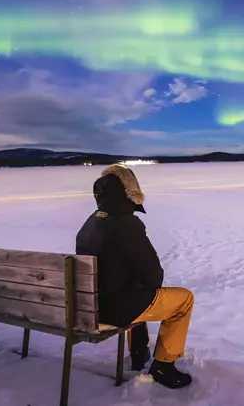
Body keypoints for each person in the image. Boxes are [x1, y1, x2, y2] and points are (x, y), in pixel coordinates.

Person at [75, 163, 194, 389]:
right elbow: (153, 275)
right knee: (183, 299)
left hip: (90, 304)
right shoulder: (126, 223)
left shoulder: (90, 222)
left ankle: (139, 353)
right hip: (114, 309)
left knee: (135, 290)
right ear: (129, 192)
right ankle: (164, 365)